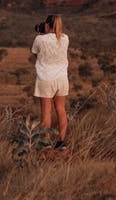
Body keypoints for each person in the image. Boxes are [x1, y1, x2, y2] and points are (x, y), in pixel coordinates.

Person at [31, 14, 69, 149]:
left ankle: (46, 143)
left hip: (45, 79)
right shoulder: (65, 39)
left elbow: (36, 54)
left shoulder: (39, 39)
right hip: (62, 80)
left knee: (46, 112)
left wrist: (41, 34)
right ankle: (61, 142)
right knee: (61, 109)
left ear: (47, 25)